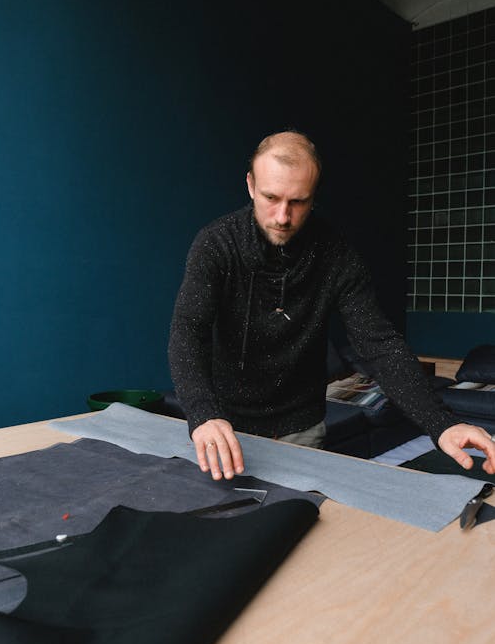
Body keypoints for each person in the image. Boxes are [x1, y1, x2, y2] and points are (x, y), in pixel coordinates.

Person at [169, 130, 495, 481]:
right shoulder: (216, 244)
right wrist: (203, 414)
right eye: (270, 197)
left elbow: (379, 345)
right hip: (226, 426)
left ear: (314, 197)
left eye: (298, 201)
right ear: (250, 185)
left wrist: (441, 424)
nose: (282, 216)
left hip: (303, 428)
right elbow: (188, 331)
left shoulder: (336, 254)